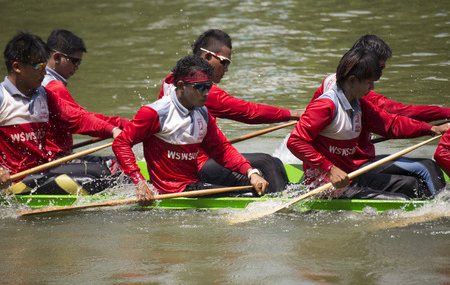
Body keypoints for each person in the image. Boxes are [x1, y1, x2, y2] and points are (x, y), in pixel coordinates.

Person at [287, 48, 449, 200]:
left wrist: (432, 129)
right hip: (327, 185)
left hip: (350, 175)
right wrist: (329, 168)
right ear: (352, 81)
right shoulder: (325, 106)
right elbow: (295, 141)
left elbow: (391, 124)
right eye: (369, 83)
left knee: (411, 184)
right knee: (402, 199)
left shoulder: (359, 105)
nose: (372, 88)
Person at [113, 55, 269, 206]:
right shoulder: (155, 112)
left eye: (209, 86)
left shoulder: (203, 112)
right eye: (200, 87)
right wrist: (140, 182)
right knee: (252, 195)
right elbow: (121, 143)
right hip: (172, 190)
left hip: (194, 183)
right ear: (181, 86)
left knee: (259, 176)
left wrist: (251, 172)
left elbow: (221, 149)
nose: (206, 93)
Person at [159, 29, 303, 192]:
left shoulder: (172, 81)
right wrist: (294, 115)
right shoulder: (200, 92)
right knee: (267, 162)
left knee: (274, 163)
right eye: (224, 62)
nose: (226, 69)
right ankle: (283, 206)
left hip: (188, 159)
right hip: (193, 167)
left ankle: (282, 192)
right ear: (207, 57)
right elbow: (248, 112)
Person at [0, 31, 119, 195]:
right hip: (15, 179)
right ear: (17, 67)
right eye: (39, 66)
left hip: (42, 169)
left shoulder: (43, 95)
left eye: (44, 65)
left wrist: (112, 130)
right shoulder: (2, 98)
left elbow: (77, 119)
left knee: (103, 171)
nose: (44, 72)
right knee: (92, 181)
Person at [312, 34, 450, 169]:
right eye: (380, 68)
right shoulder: (360, 95)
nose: (381, 74)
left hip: (347, 156)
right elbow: (403, 113)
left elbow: (392, 123)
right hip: (350, 163)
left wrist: (431, 128)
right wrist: (444, 115)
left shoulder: (334, 81)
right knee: (426, 168)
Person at [43, 29, 129, 160]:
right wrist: (113, 130)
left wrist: (124, 124)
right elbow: (80, 119)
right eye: (75, 61)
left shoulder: (44, 81)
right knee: (116, 166)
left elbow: (81, 116)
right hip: (51, 161)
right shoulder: (53, 87)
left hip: (53, 156)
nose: (77, 67)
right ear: (57, 57)